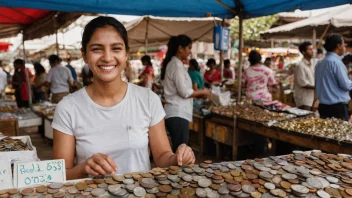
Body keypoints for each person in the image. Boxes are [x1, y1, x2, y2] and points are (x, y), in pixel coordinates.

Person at [52, 17, 195, 180]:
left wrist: (177, 158)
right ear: (84, 55)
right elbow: (60, 174)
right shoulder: (68, 108)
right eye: (97, 49)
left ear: (126, 53)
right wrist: (83, 168)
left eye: (116, 48)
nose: (107, 57)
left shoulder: (148, 99)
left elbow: (162, 156)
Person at [162, 35, 210, 152]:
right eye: (189, 48)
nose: (190, 52)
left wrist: (198, 93)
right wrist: (202, 92)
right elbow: (183, 92)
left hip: (176, 112)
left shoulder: (176, 64)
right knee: (180, 153)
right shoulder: (176, 65)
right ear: (180, 48)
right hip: (177, 113)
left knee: (179, 151)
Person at [315, 34, 351, 121]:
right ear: (338, 46)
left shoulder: (319, 63)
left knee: (326, 133)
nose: (344, 47)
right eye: (343, 44)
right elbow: (346, 85)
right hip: (337, 108)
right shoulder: (337, 63)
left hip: (323, 107)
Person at [294, 42, 315, 110]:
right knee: (305, 118)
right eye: (310, 49)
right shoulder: (300, 65)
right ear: (303, 52)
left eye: (312, 49)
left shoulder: (312, 64)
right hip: (303, 98)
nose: (312, 51)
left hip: (311, 97)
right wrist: (317, 87)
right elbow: (303, 83)